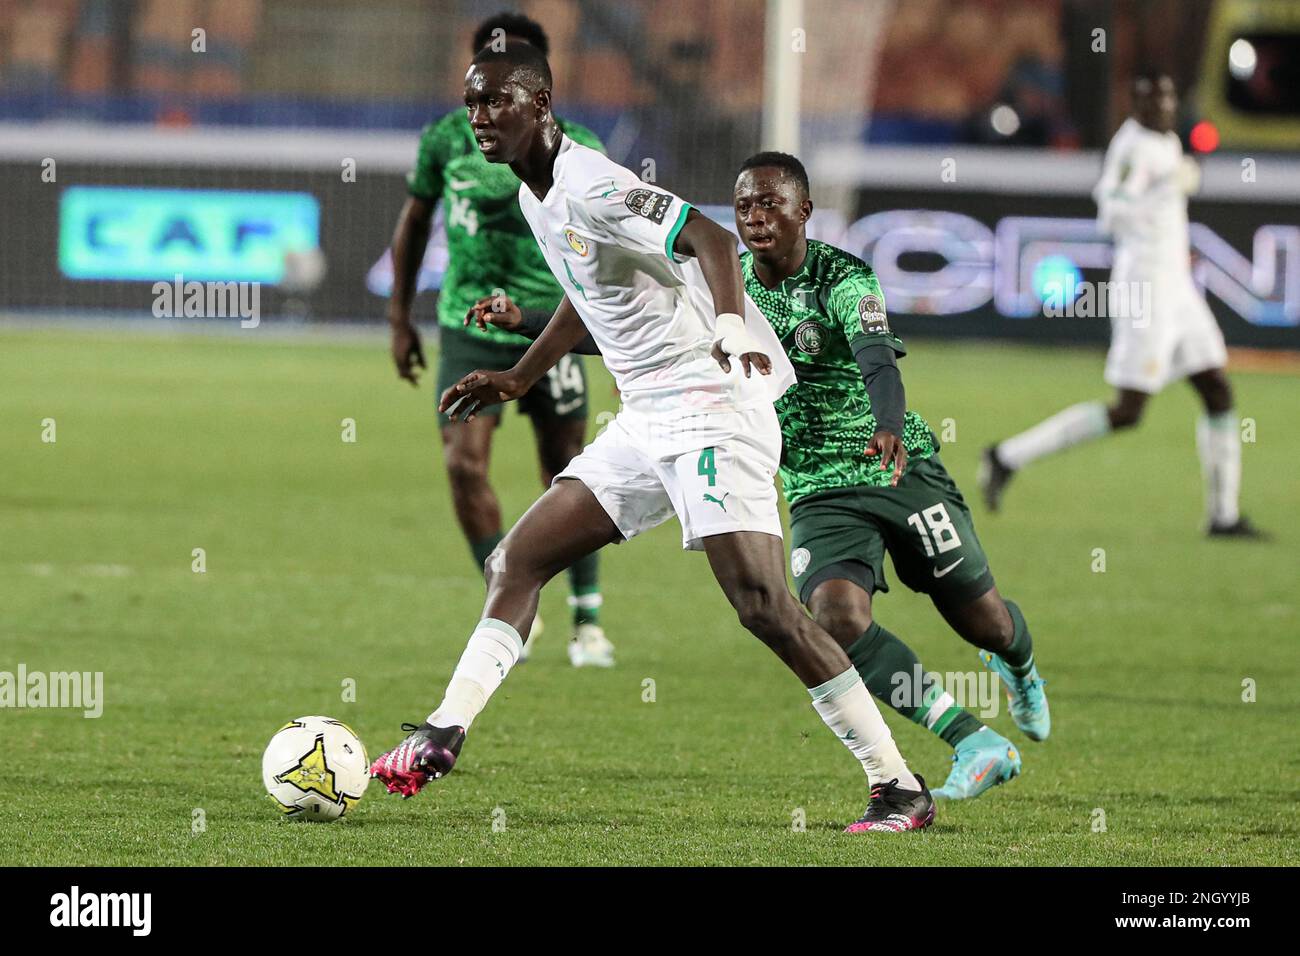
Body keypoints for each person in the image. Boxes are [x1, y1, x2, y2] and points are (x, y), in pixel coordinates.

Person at [370, 41, 935, 833]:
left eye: (496, 101)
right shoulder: (536, 193)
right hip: (645, 419)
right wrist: (521, 376)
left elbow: (710, 238)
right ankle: (443, 732)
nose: (479, 117)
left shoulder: (595, 184)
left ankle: (898, 785)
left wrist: (735, 326)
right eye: (471, 103)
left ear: (539, 105)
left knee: (766, 607)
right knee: (517, 560)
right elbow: (587, 293)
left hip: (714, 405)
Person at [385, 12, 615, 667]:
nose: (483, 105)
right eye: (477, 87)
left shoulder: (583, 149)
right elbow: (414, 222)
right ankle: (506, 595)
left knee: (570, 468)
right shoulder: (446, 140)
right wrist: (400, 318)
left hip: (547, 320)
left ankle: (587, 619)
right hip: (467, 321)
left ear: (539, 83)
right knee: (462, 463)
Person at [980, 73, 1262, 539]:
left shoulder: (1166, 139)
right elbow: (1111, 211)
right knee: (1129, 411)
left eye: (1170, 96)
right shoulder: (1132, 148)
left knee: (1217, 387)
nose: (1165, 106)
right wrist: (1164, 187)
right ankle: (1007, 456)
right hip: (1146, 289)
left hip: (1177, 286)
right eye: (1154, 99)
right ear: (1135, 104)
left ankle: (1223, 516)